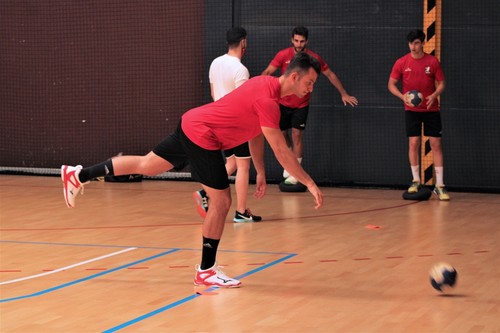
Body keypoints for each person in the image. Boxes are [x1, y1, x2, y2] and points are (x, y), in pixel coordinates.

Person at [61, 52, 324, 288]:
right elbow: (281, 150)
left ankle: (77, 175)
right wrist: (309, 183)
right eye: (309, 83)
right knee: (221, 200)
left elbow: (256, 135)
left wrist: (260, 171)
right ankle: (206, 271)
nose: (310, 88)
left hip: (192, 123)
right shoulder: (268, 99)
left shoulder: (264, 87)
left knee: (147, 165)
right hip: (203, 135)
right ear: (293, 76)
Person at [262, 26, 358, 185]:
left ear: (307, 41)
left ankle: (296, 172)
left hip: (301, 104)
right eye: (296, 41)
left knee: (297, 134)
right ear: (292, 40)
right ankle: (290, 161)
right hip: (282, 102)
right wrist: (261, 91)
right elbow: (267, 73)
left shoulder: (314, 59)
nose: (299, 44)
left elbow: (330, 74)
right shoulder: (283, 55)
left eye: (302, 41)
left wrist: (343, 93)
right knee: (282, 134)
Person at [193, 26, 262, 223]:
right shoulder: (241, 70)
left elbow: (214, 94)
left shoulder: (215, 63)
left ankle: (205, 192)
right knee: (243, 165)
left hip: (217, 121)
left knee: (231, 162)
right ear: (243, 43)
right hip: (235, 124)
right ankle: (241, 211)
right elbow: (243, 102)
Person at [388, 29, 449, 200]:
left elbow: (442, 84)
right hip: (412, 111)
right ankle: (416, 180)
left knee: (436, 144)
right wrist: (403, 97)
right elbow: (391, 84)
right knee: (413, 143)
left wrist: (435, 95)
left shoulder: (432, 61)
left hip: (431, 110)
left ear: (423, 43)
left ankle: (440, 185)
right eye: (410, 43)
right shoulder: (401, 62)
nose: (413, 47)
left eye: (416, 43)